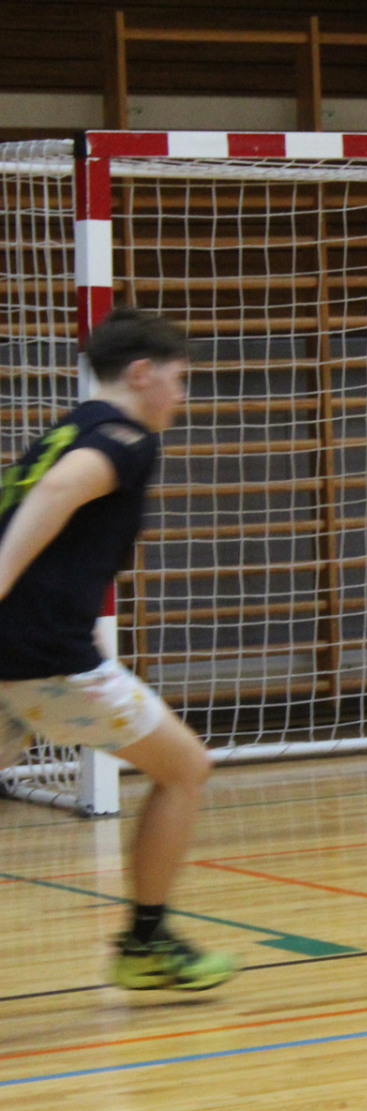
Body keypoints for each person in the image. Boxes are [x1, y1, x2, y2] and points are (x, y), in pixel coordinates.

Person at [0, 308, 236, 990]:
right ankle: (145, 942)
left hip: (13, 653)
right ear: (140, 373)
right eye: (179, 379)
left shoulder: (67, 428)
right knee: (186, 768)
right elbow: (60, 488)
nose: (182, 396)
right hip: (47, 657)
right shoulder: (126, 439)